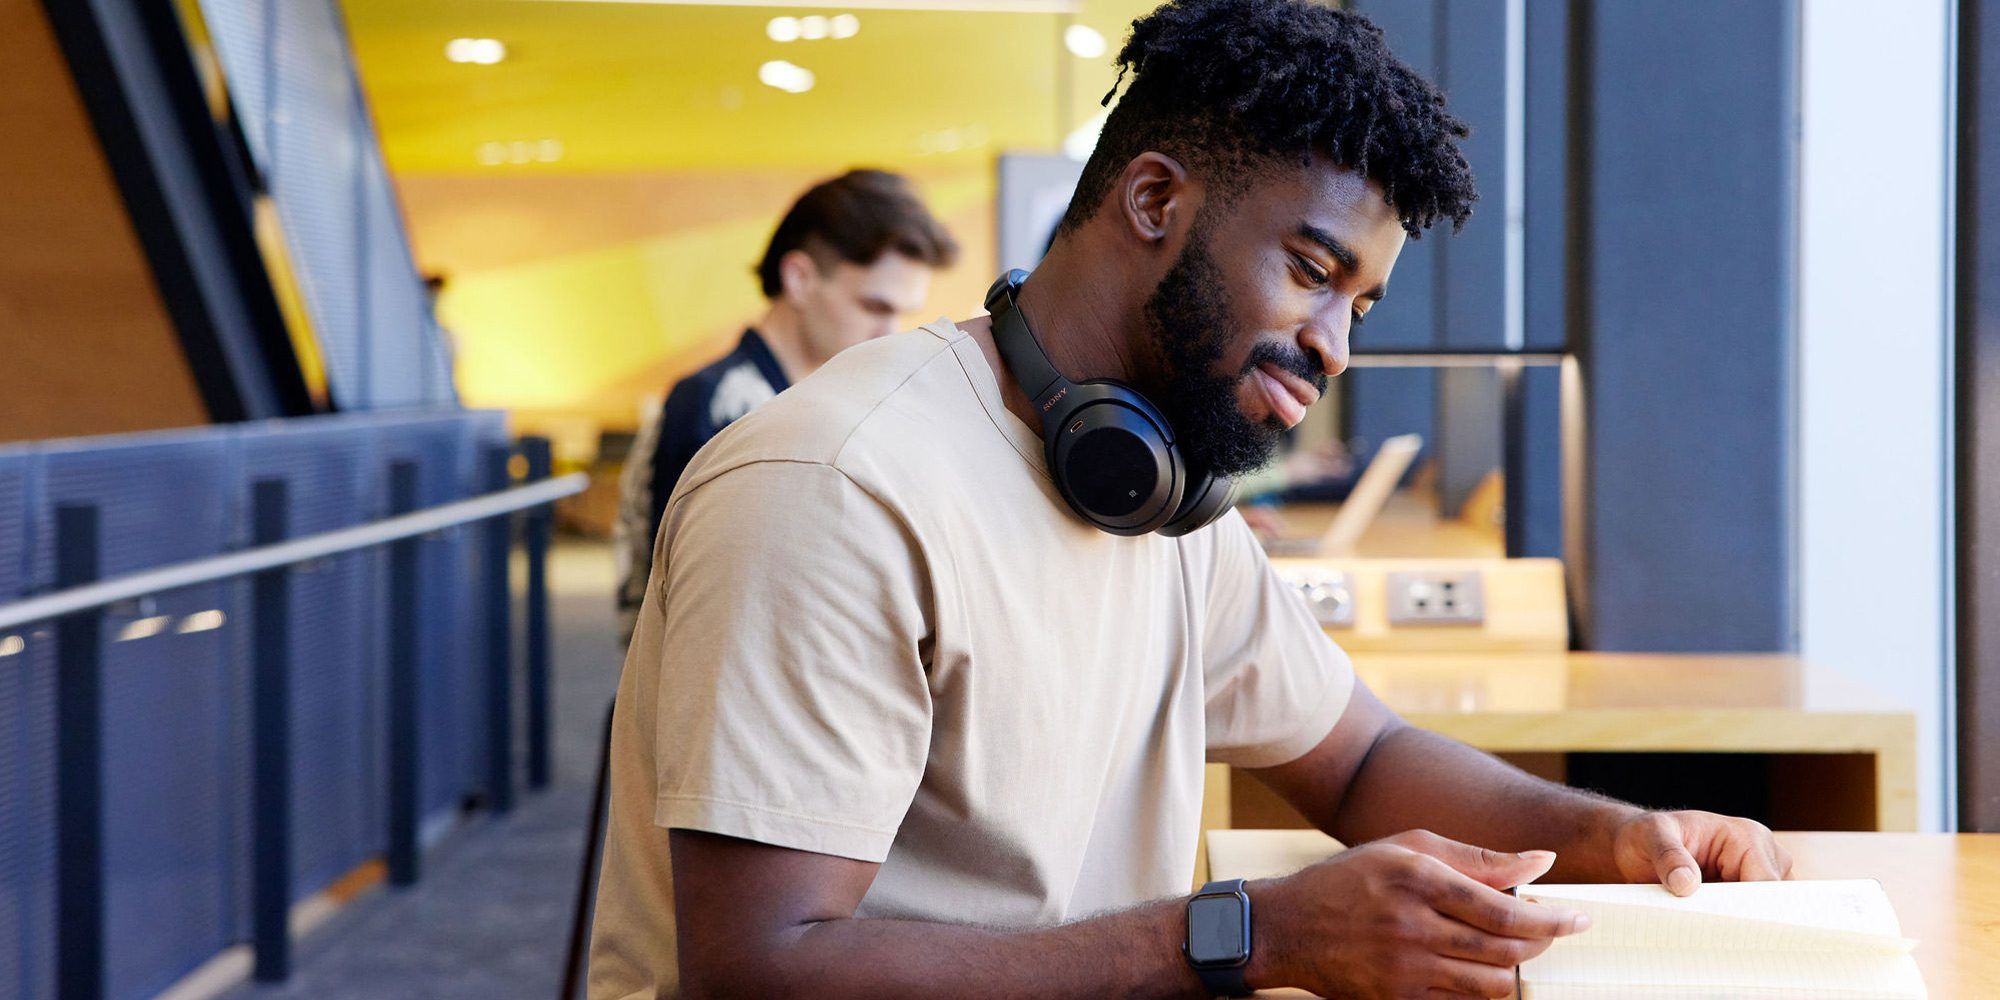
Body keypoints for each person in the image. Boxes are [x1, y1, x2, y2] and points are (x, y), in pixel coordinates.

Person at [589, 3, 1793, 998]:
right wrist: (1251, 935)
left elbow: (1361, 755)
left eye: (1359, 308)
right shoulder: (837, 487)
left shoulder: (1159, 496)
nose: (1332, 347)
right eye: (1313, 273)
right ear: (1154, 201)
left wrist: (1618, 837)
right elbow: (760, 968)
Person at [613, 169, 959, 638]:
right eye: (874, 306)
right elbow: (713, 610)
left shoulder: (811, 399)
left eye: (902, 312)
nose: (891, 333)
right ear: (799, 279)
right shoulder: (720, 406)